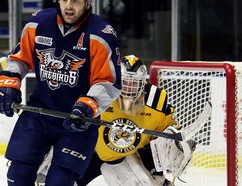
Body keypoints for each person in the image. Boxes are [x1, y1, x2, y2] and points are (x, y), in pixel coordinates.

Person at [0, 0, 121, 186]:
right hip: (40, 112)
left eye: (76, 0)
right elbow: (19, 59)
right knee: (19, 173)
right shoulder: (37, 23)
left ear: (87, 1)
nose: (69, 5)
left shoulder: (100, 34)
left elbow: (107, 81)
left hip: (78, 120)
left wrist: (89, 105)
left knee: (60, 180)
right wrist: (8, 83)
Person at [37, 55, 196, 186]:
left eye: (134, 83)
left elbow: (169, 130)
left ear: (143, 82)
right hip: (90, 150)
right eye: (125, 82)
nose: (129, 88)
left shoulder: (156, 100)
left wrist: (177, 144)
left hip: (127, 158)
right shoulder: (100, 92)